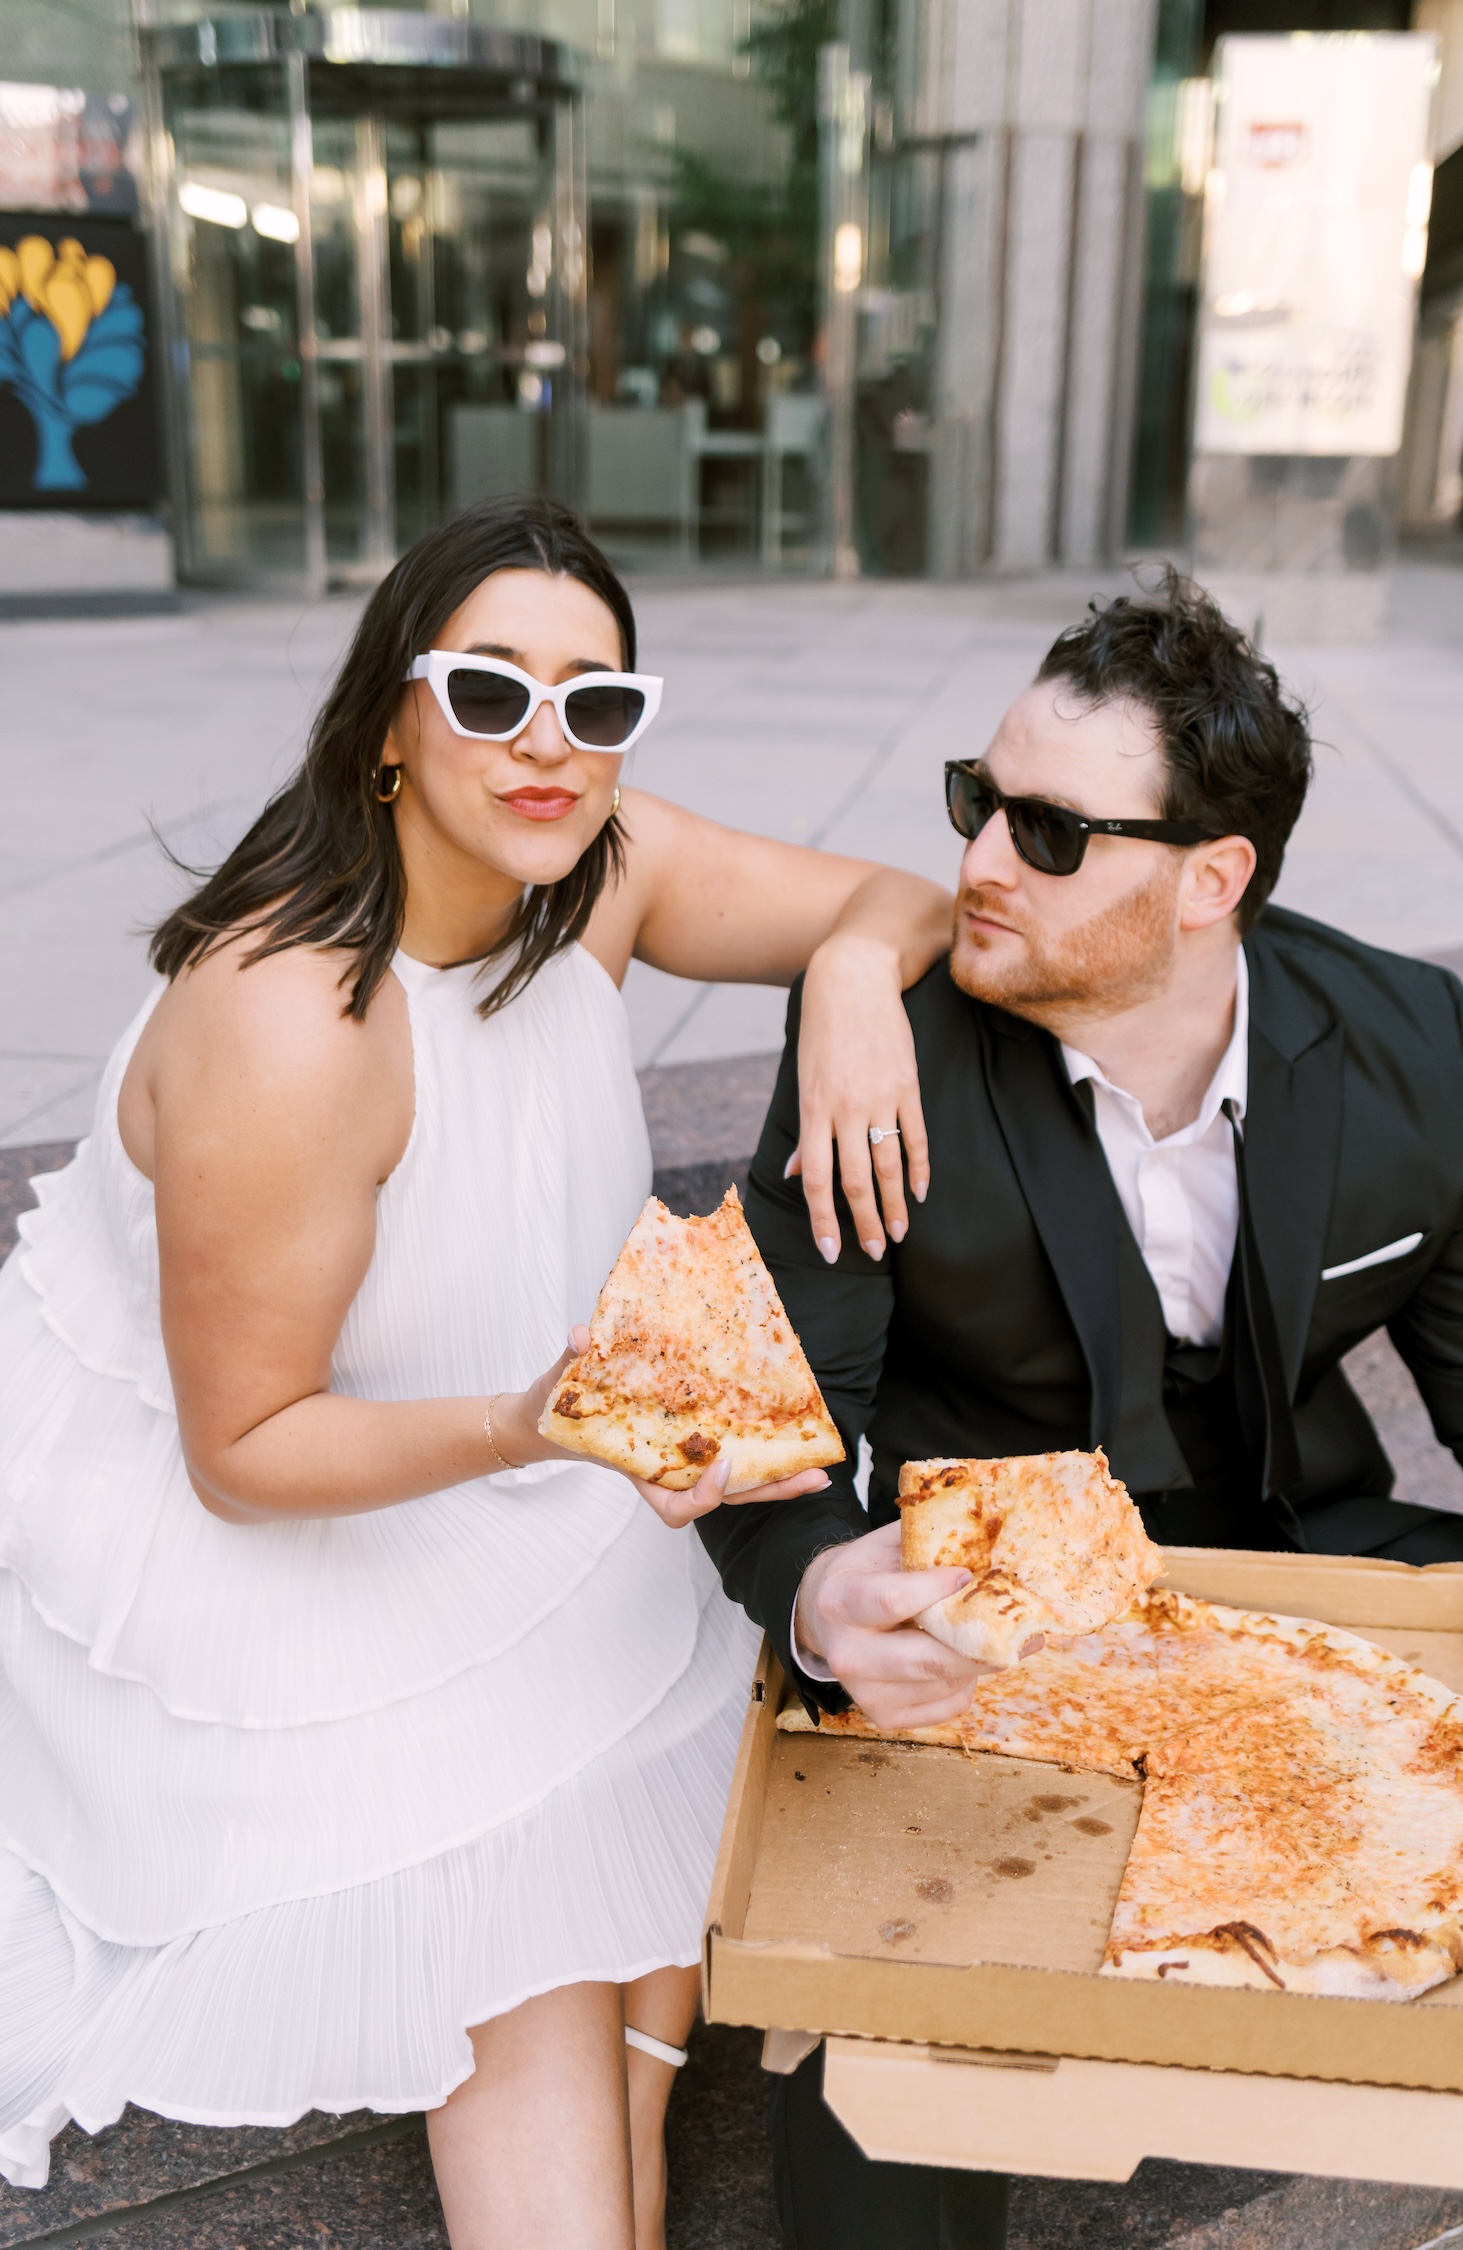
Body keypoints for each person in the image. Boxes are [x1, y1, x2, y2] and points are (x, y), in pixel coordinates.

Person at [0, 495, 954, 2247]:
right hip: (285, 1525)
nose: (549, 745)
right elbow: (244, 1449)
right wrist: (539, 1426)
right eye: (491, 691)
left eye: (597, 703)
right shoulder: (291, 1020)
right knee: (535, 1932)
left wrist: (850, 977)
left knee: (617, 1839)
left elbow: (907, 897)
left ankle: (645, 2086)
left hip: (534, 1451)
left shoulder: (597, 862)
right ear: (387, 713)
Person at [698, 569, 1463, 2250]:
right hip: (984, 1617)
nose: (982, 862)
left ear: (1215, 879)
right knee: (883, 2084)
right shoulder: (880, 1045)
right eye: (978, 803)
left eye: (1052, 835)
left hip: (1310, 1558)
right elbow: (774, 1430)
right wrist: (822, 1593)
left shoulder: (1411, 1047)